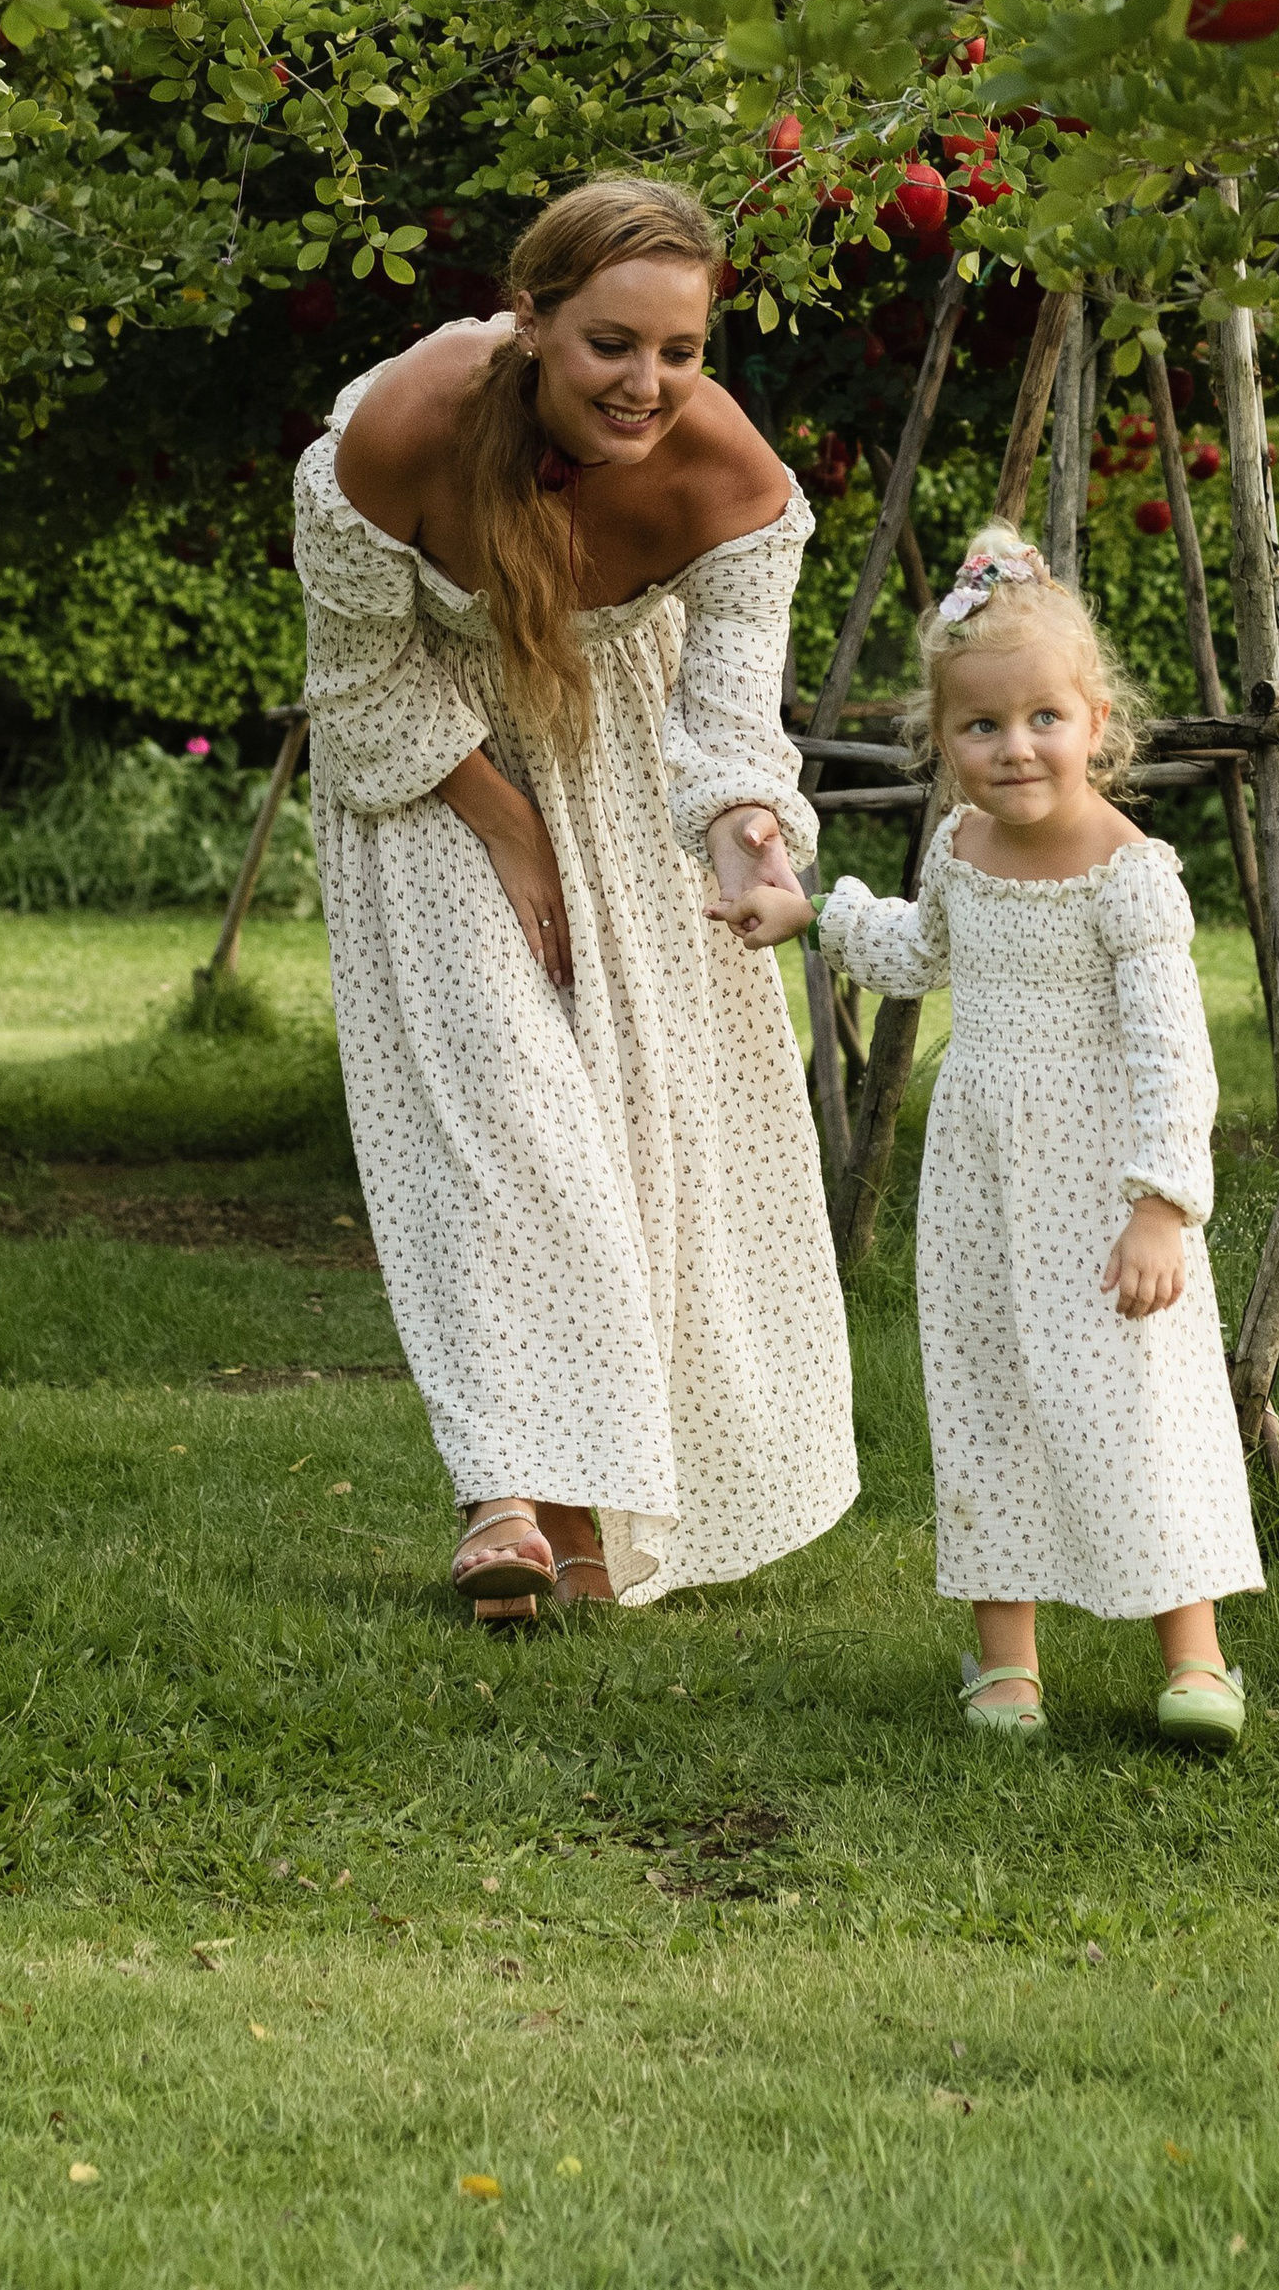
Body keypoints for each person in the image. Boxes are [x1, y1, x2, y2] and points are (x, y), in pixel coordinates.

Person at [294, 173, 856, 1617]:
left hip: (619, 766)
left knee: (627, 1129)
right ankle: (502, 1491)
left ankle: (589, 1514)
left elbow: (730, 727)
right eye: (613, 343)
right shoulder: (399, 430)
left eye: (680, 351)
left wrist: (746, 841)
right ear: (530, 318)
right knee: (514, 1110)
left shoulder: (738, 487)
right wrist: (508, 831)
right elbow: (358, 690)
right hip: (432, 772)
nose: (647, 383)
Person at [806, 527, 1262, 1742]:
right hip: (980, 1172)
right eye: (980, 727)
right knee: (985, 1387)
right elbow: (921, 951)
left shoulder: (1129, 869)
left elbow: (1176, 1050)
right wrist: (814, 913)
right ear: (939, 739)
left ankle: (1194, 1656)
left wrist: (1163, 1201)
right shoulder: (959, 847)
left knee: (1142, 1397)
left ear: (1095, 719)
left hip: (1105, 1185)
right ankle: (1005, 1663)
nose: (1014, 749)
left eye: (1044, 719)